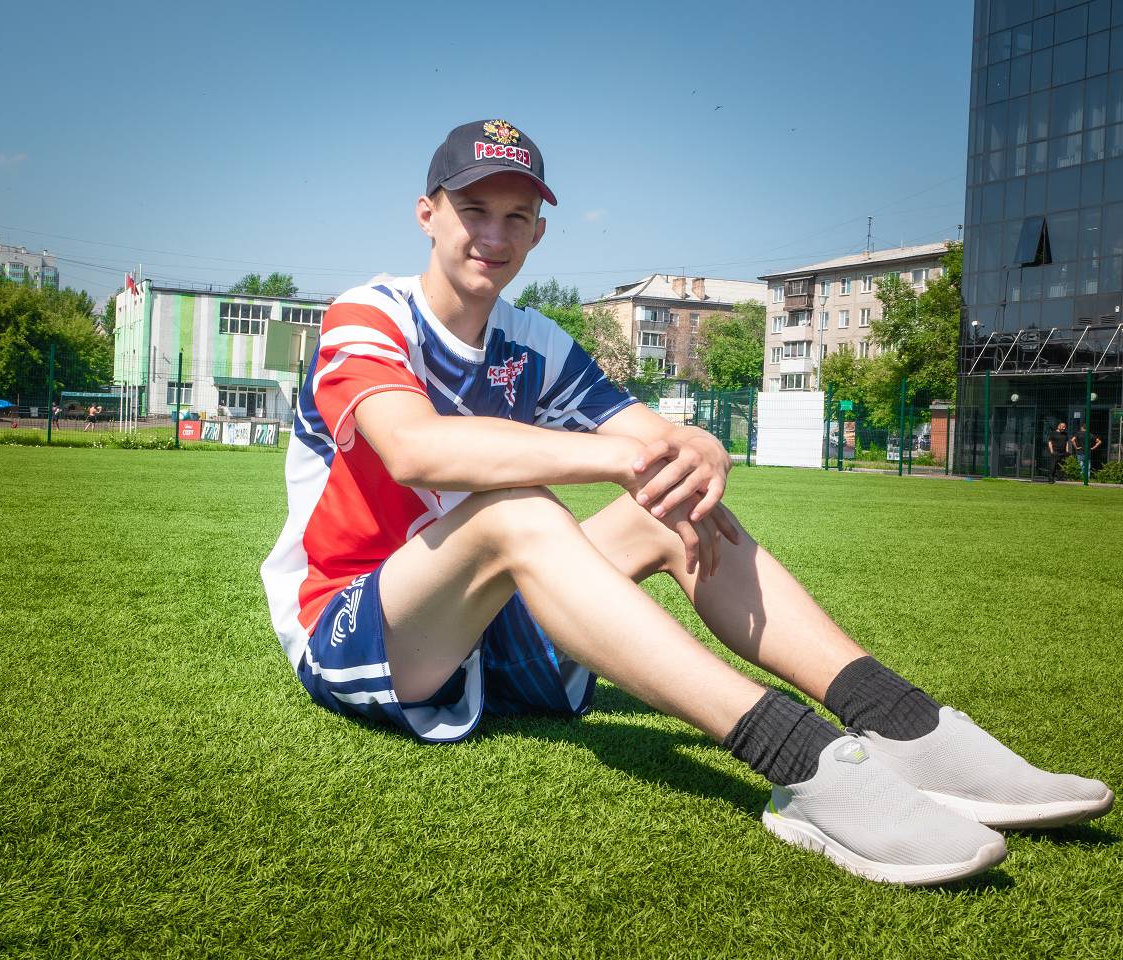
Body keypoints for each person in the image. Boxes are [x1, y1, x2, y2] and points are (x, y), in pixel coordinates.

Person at [262, 119, 1113, 885]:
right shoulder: (367, 315)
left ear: (539, 232)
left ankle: (904, 724)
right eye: (473, 209)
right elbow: (416, 447)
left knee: (674, 506)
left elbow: (656, 439)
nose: (494, 234)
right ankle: (802, 760)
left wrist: (695, 445)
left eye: (516, 217)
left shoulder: (532, 340)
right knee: (518, 512)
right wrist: (621, 457)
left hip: (487, 634)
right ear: (427, 213)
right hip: (360, 629)